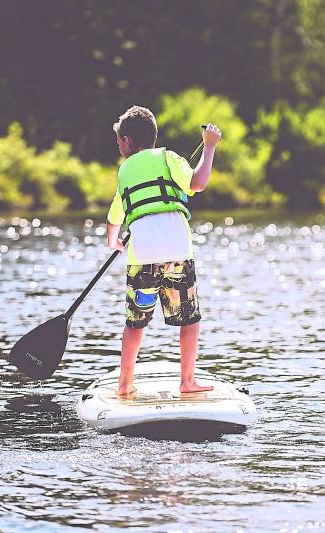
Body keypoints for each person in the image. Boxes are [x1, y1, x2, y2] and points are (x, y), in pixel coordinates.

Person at [105, 105, 221, 397]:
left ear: (128, 141)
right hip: (177, 251)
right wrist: (209, 148)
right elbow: (199, 182)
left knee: (135, 323)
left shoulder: (124, 171)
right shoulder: (169, 157)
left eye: (119, 140)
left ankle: (124, 384)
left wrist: (113, 242)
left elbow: (114, 218)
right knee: (189, 319)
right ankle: (187, 381)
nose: (119, 146)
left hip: (141, 254)